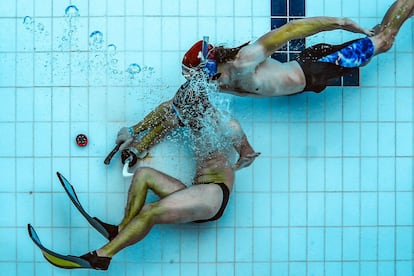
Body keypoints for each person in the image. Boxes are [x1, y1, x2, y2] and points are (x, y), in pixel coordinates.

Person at [44, 71, 260, 270]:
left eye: (185, 111)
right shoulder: (188, 111)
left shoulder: (226, 125)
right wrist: (133, 138)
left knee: (149, 212)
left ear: (199, 105)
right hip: (196, 191)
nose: (181, 116)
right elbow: (162, 118)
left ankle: (103, 255)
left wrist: (240, 163)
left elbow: (248, 153)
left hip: (214, 194)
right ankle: (122, 230)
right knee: (143, 174)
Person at [182, 0, 413, 96]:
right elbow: (180, 101)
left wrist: (340, 23)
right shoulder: (216, 84)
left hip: (319, 67)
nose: (199, 81)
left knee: (385, 40)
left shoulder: (245, 60)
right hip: (310, 72)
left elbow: (292, 30)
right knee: (376, 42)